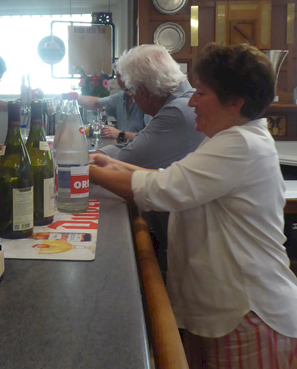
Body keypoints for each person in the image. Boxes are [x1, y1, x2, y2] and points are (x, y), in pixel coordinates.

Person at [89, 43, 297, 368]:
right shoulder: (225, 138)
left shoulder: (240, 143)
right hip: (221, 309)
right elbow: (174, 178)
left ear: (235, 102)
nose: (191, 101)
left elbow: (160, 190)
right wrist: (113, 164)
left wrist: (82, 169)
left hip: (247, 311)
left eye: (201, 93)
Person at [98, 45, 205, 271]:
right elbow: (136, 147)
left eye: (131, 91)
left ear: (143, 91)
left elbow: (129, 159)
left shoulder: (177, 110)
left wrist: (86, 164)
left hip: (185, 242)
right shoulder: (179, 101)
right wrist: (99, 157)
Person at [78, 71, 151, 142]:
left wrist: (121, 134)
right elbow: (97, 103)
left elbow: (151, 137)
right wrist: (75, 98)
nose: (121, 79)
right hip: (124, 147)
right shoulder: (120, 97)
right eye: (118, 76)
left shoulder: (146, 99)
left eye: (124, 75)